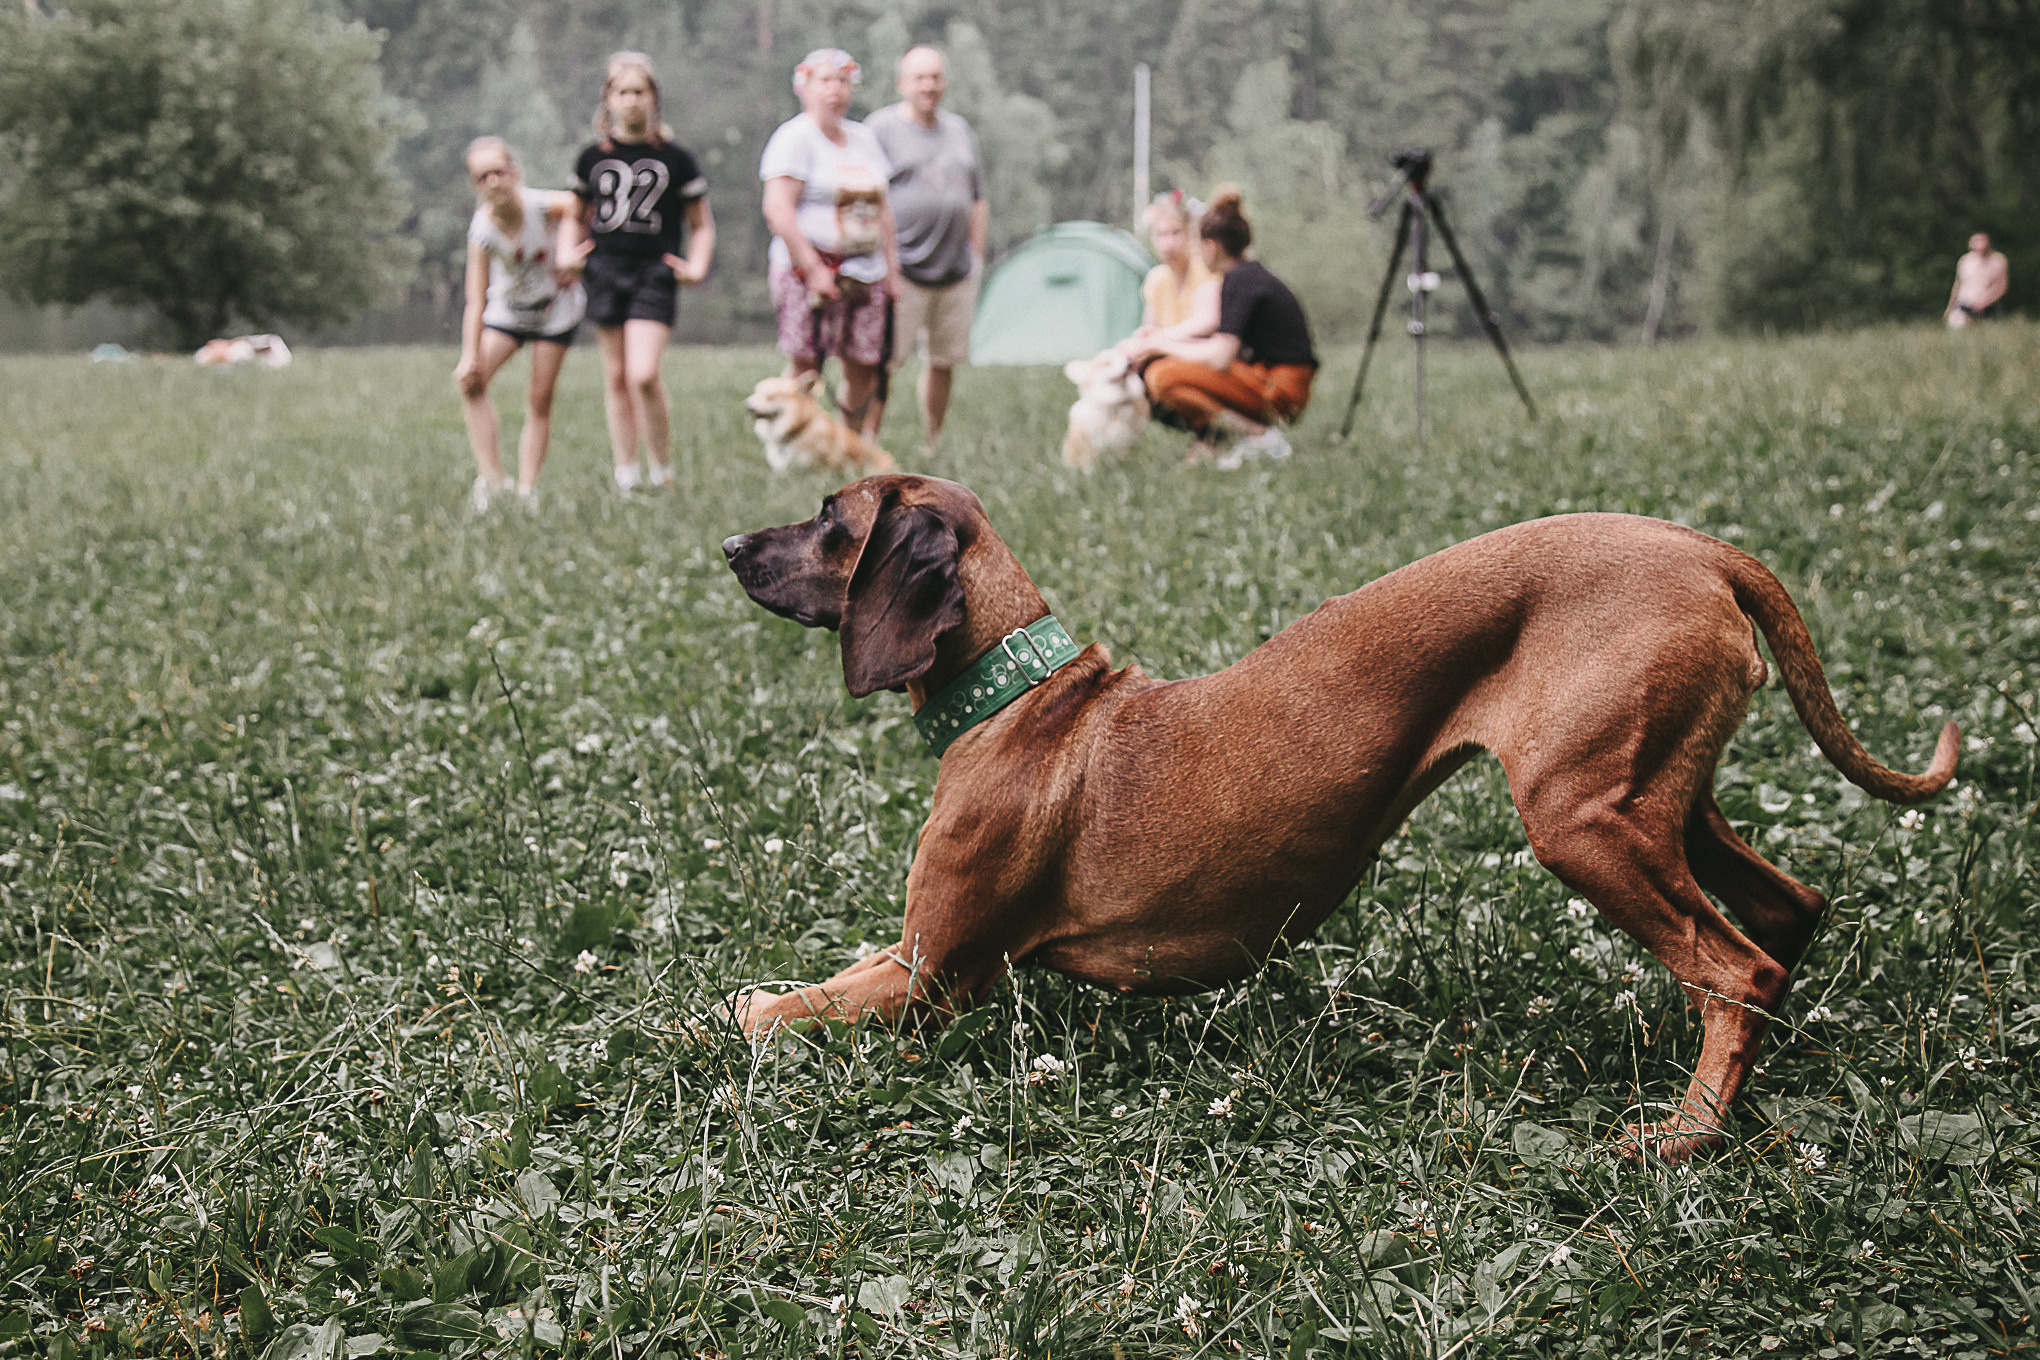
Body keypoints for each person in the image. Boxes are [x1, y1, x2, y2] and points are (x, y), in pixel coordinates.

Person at [558, 52, 715, 493]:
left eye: (639, 92)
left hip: (654, 272)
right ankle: (625, 471)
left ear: (653, 98)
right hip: (604, 269)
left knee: (642, 374)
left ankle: (661, 469)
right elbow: (575, 214)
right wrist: (567, 252)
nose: (631, 101)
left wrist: (697, 265)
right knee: (616, 375)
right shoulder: (591, 156)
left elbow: (700, 223)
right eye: (622, 92)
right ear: (608, 99)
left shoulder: (677, 158)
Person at [760, 48, 900, 442]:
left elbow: (884, 211)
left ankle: (849, 443)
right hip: (809, 271)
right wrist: (814, 268)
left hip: (866, 270)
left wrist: (892, 272)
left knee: (865, 364)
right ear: (803, 87)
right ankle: (793, 444)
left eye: (842, 81)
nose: (834, 90)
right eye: (824, 81)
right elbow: (779, 211)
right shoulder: (794, 138)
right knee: (807, 366)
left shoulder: (864, 139)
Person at [1131, 187, 1317, 469]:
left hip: (1281, 390)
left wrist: (1160, 344)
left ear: (1211, 247)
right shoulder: (1247, 275)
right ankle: (1240, 438)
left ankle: (1261, 436)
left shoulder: (1239, 281)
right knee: (1162, 371)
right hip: (1268, 378)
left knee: (1164, 376)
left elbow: (1220, 356)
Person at [453, 137, 586, 511]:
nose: (493, 181)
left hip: (555, 311)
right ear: (476, 186)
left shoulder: (542, 205)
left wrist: (571, 253)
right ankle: (493, 481)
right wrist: (468, 356)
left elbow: (585, 209)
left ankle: (528, 490)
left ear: (515, 172)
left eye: (499, 171)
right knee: (472, 383)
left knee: (538, 400)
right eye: (483, 177)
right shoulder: (482, 231)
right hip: (509, 311)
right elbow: (475, 299)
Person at [865, 45, 986, 450]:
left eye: (935, 77)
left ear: (944, 82)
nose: (928, 85)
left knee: (943, 361)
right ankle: (867, 443)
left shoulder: (960, 130)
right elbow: (865, 194)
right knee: (884, 362)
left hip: (955, 269)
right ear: (902, 83)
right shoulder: (880, 129)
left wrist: (978, 254)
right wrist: (880, 258)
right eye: (919, 77)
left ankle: (931, 441)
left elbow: (977, 197)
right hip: (902, 269)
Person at [1130, 189, 1218, 340]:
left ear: (1190, 234)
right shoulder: (1157, 278)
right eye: (1161, 234)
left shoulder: (1208, 270)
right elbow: (1149, 327)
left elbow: (1208, 323)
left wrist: (1158, 339)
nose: (1168, 244)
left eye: (1175, 233)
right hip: (1166, 355)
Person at [1946, 232, 2008, 328]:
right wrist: (1950, 307)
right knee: (1958, 324)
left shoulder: (1998, 261)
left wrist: (1987, 301)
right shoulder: (1965, 261)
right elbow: (1958, 284)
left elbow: (2001, 285)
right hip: (1965, 303)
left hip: (1987, 305)